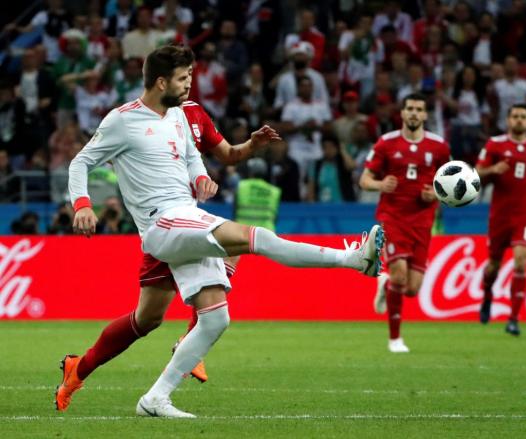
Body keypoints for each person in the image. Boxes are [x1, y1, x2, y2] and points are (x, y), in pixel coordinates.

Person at [56, 45, 383, 418]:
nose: (189, 85)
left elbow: (194, 161)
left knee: (211, 318)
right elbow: (81, 162)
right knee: (248, 238)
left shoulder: (180, 116)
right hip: (162, 223)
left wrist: (200, 177)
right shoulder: (122, 120)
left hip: (186, 215)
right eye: (183, 79)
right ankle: (354, 258)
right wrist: (82, 205)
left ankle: (153, 399)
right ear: (161, 81)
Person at [359, 93, 451, 353]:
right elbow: (364, 180)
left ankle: (384, 284)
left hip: (423, 222)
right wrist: (380, 184)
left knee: (411, 289)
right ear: (402, 113)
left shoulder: (439, 146)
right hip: (393, 218)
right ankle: (395, 340)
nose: (413, 113)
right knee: (399, 275)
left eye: (418, 109)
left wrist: (435, 193)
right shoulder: (386, 143)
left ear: (425, 115)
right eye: (409, 108)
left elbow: (452, 184)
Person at [476, 104, 526, 336]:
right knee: (493, 266)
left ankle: (513, 319)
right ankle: (487, 295)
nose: (519, 120)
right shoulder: (495, 144)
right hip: (500, 215)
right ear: (508, 120)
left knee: (521, 261)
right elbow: (477, 171)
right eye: (515, 117)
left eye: (523, 117)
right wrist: (493, 170)